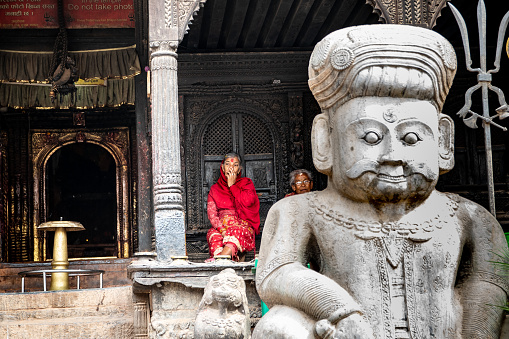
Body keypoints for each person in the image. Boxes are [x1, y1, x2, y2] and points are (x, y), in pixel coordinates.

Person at [253, 25, 508, 339]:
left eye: (412, 137)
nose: (393, 156)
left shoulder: (467, 216)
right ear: (324, 140)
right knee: (277, 327)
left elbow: (489, 282)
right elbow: (277, 272)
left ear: (443, 140)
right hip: (345, 332)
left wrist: (476, 332)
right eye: (370, 137)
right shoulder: (300, 210)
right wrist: (341, 310)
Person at [206, 152, 260, 262]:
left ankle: (220, 262)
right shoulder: (215, 189)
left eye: (235, 165)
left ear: (239, 169)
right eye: (227, 164)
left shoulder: (246, 184)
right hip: (222, 227)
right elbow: (212, 215)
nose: (231, 168)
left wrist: (233, 186)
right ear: (222, 167)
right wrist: (222, 230)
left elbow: (249, 202)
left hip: (242, 226)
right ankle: (222, 264)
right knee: (213, 234)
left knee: (236, 231)